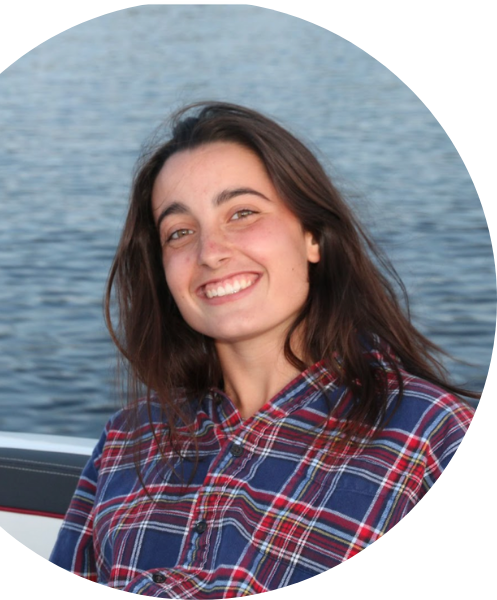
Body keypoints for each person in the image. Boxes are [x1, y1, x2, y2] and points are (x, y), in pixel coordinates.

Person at [49, 102, 476, 597]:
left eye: (243, 213)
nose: (210, 252)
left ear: (313, 235)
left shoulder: (432, 440)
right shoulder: (126, 444)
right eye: (180, 232)